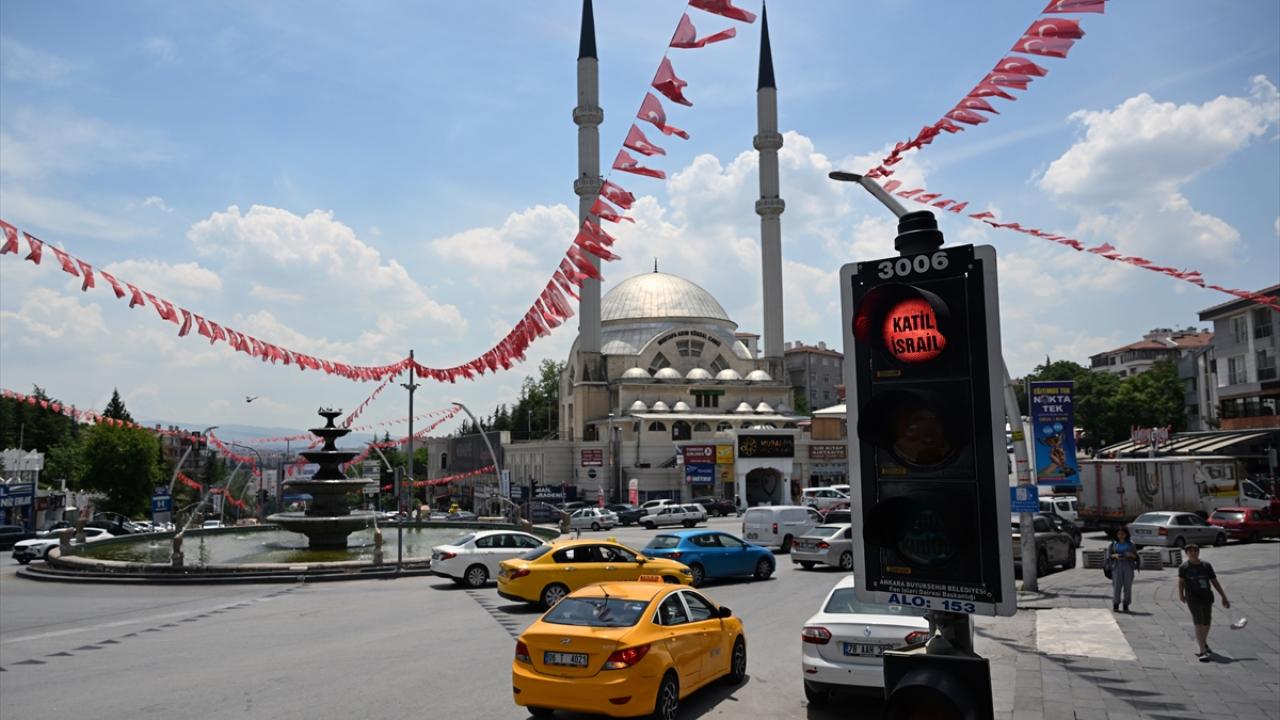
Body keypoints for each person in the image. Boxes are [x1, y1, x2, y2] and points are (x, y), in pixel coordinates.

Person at [1178, 544, 1230, 662]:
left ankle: (1203, 642)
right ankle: (1202, 651)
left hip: (1206, 597)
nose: (1193, 553)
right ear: (1186, 553)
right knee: (1198, 622)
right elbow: (1181, 582)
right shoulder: (1184, 567)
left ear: (1199, 552)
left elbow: (1214, 581)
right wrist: (1181, 594)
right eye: (1190, 551)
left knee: (1207, 622)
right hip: (1192, 598)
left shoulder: (1206, 566)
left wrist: (1223, 597)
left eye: (1195, 551)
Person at [1107, 528, 1139, 612]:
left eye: (1122, 534)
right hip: (1117, 566)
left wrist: (1130, 554)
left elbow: (1136, 556)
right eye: (1119, 534)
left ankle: (1126, 604)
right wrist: (1115, 555)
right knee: (1116, 586)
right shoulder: (1113, 544)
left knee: (1128, 586)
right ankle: (1116, 604)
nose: (1121, 536)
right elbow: (1109, 556)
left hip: (1128, 566)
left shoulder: (1131, 544)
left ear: (1126, 534)